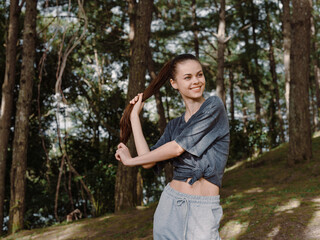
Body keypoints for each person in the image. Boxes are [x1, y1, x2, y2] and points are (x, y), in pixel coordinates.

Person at [115, 54, 229, 240]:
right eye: (188, 77)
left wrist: (130, 161)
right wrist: (134, 117)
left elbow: (177, 148)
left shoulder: (213, 107)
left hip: (202, 209)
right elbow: (148, 161)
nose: (196, 81)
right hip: (169, 205)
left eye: (199, 75)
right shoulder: (174, 126)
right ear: (174, 83)